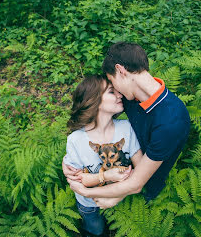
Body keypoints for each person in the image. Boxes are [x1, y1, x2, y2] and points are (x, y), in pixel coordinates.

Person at [63, 42, 191, 208]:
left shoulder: (172, 120)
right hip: (122, 172)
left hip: (146, 182)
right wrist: (68, 164)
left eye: (111, 81)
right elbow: (94, 112)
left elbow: (137, 183)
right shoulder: (129, 95)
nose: (116, 92)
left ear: (121, 70)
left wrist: (87, 192)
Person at [63, 74, 143, 236]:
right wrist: (106, 175)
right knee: (95, 230)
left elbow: (142, 172)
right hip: (89, 204)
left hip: (123, 198)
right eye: (112, 92)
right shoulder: (76, 140)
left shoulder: (127, 128)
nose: (120, 95)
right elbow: (79, 183)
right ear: (94, 100)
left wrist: (118, 196)